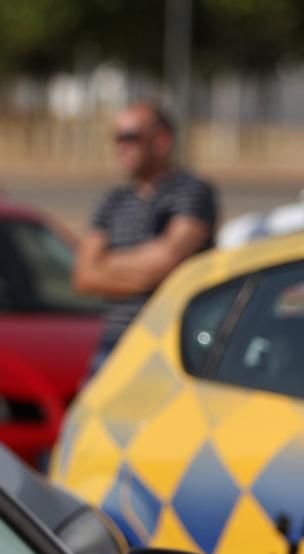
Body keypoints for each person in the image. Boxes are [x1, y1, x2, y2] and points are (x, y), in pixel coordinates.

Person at [73, 102, 218, 376]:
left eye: (130, 137)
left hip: (170, 345)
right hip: (115, 343)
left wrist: (106, 264)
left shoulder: (191, 192)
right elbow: (83, 275)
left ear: (162, 141)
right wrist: (143, 269)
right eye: (116, 137)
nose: (120, 146)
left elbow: (168, 261)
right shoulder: (112, 200)